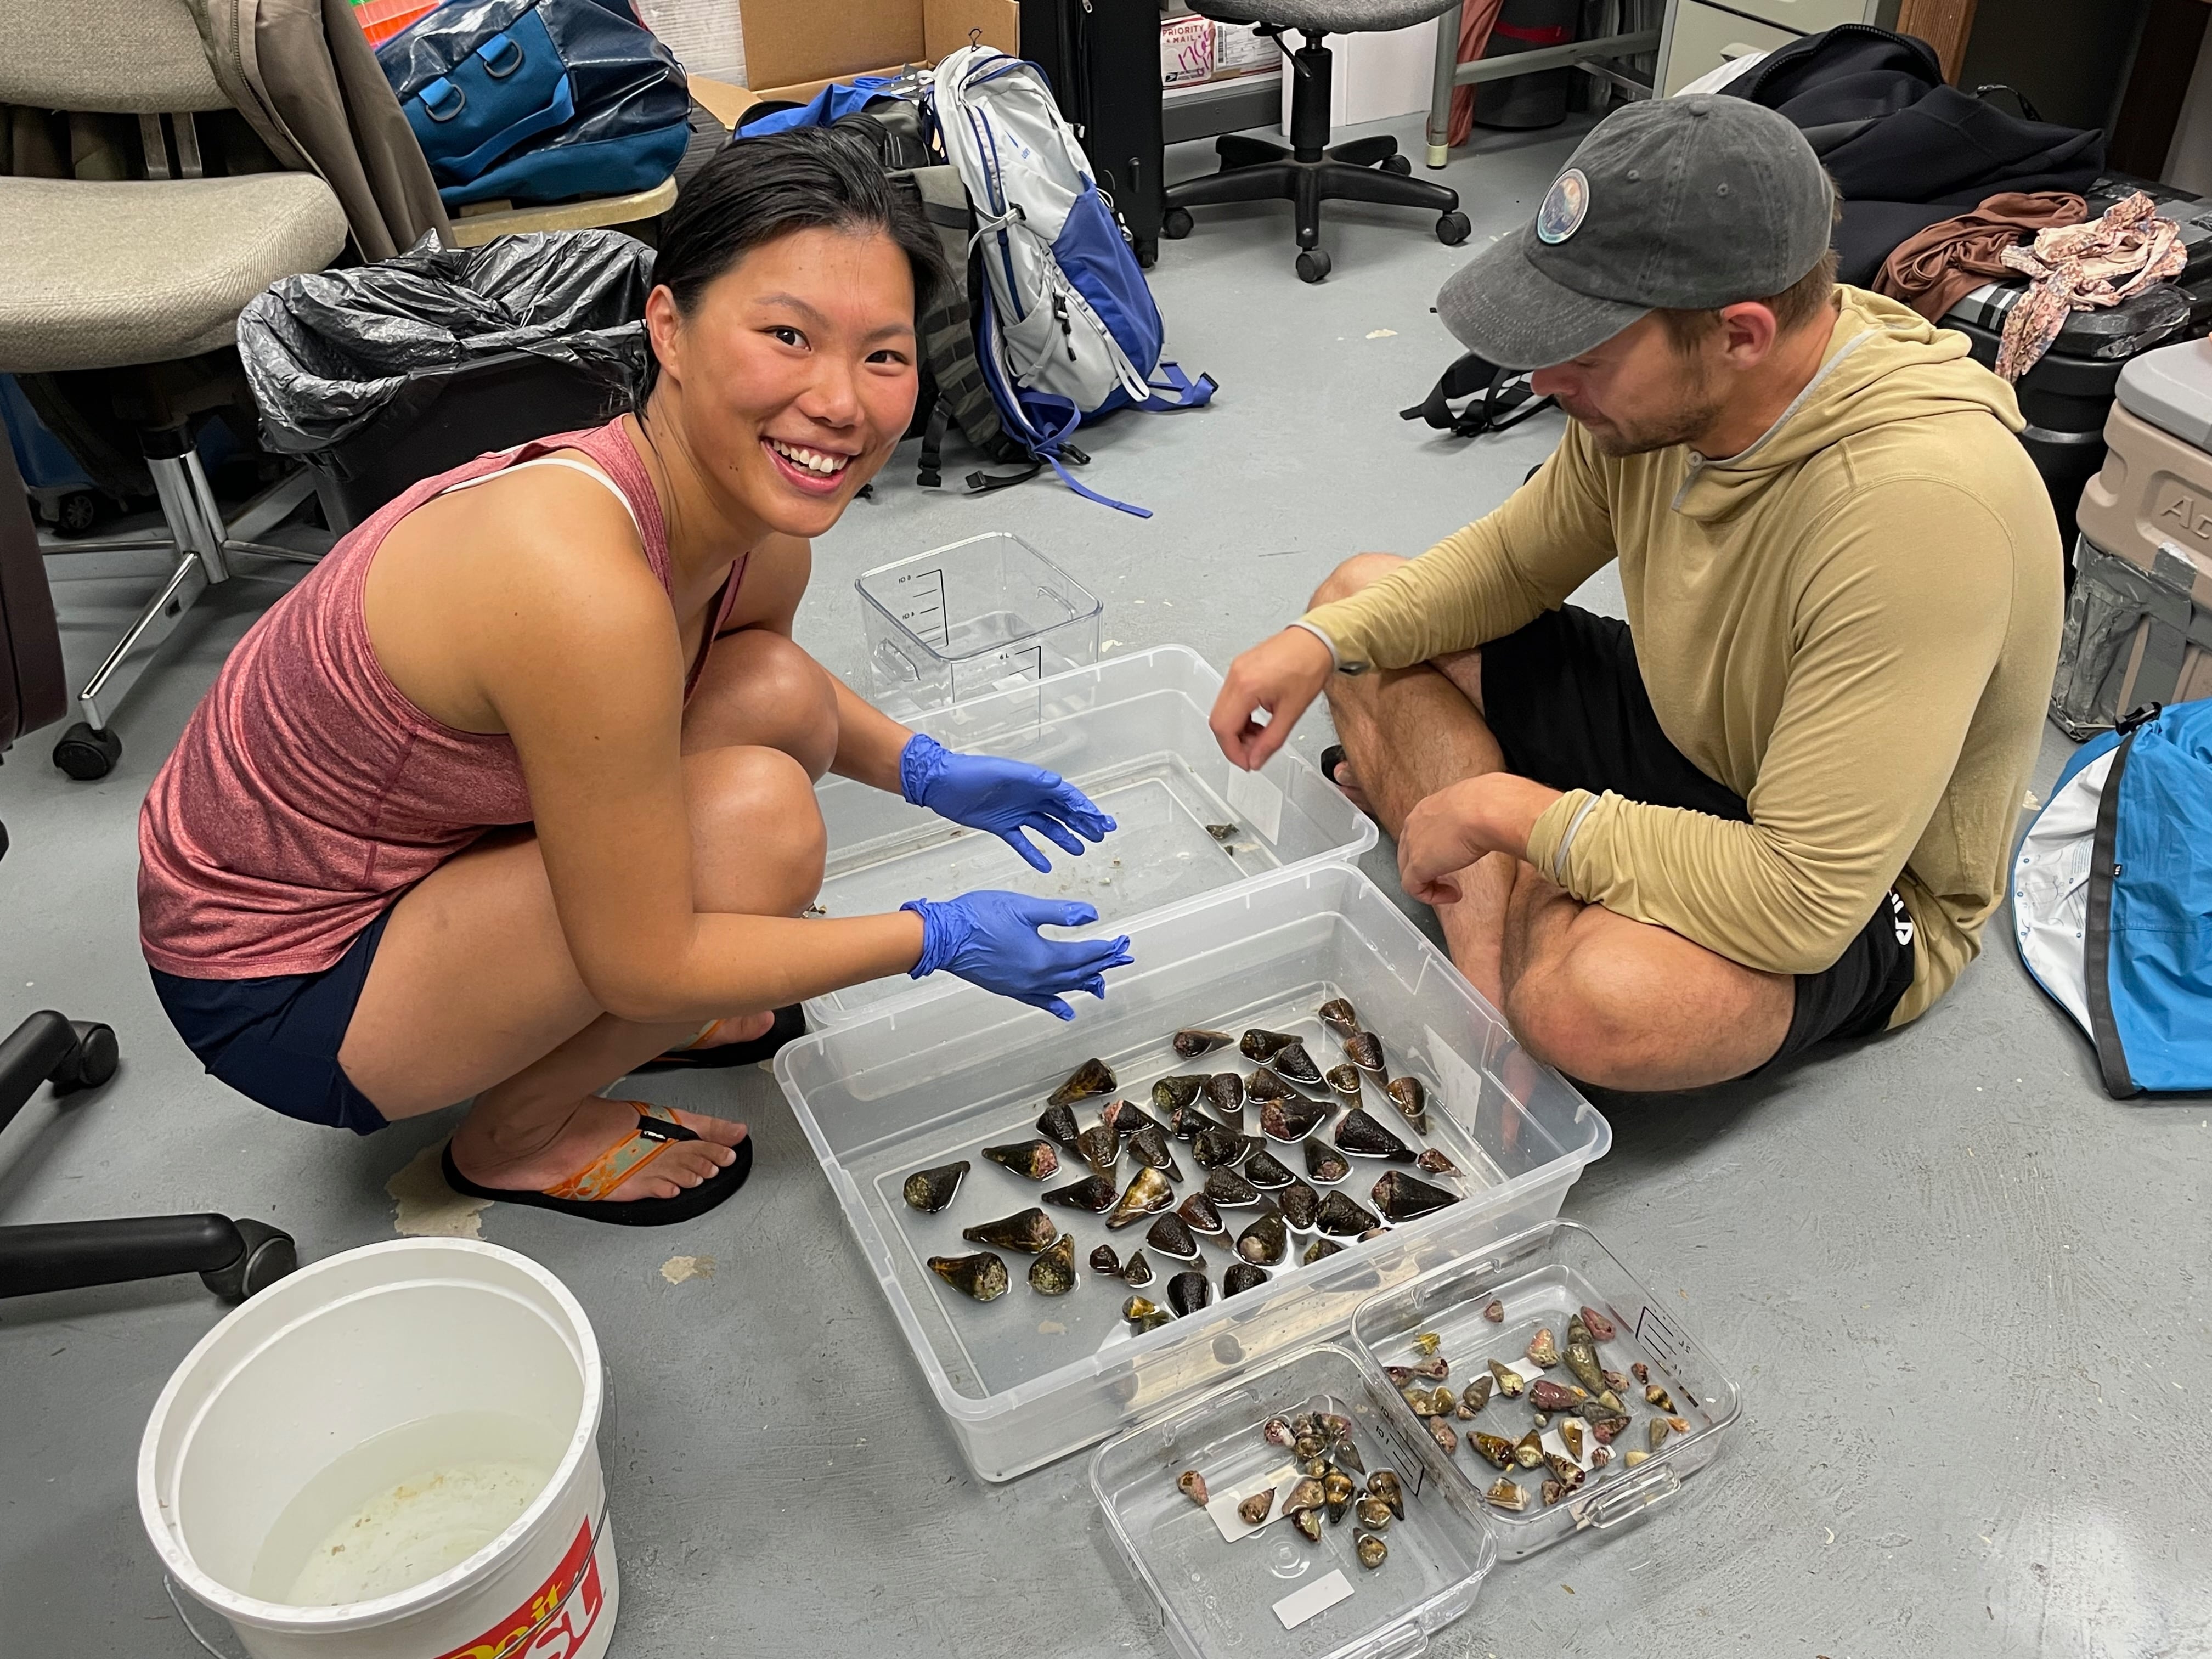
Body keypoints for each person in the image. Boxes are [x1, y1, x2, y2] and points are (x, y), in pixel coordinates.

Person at [138, 129, 1133, 1224]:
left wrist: (930, 771)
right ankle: (517, 1134)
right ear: (670, 328)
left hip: (430, 853)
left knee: (768, 689)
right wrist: (935, 935)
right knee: (762, 834)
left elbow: (766, 681)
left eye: (883, 356)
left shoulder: (749, 513)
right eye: (788, 335)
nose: (842, 403)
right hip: (284, 978)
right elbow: (642, 959)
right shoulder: (577, 582)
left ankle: (666, 1008)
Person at [1210, 97, 2063, 1092]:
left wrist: (1507, 812)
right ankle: (1492, 990)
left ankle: (1505, 898)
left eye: (1588, 349)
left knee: (1603, 1002)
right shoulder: (1656, 403)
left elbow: (1803, 897)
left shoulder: (1919, 509)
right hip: (1693, 734)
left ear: (1740, 334)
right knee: (1362, 604)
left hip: (1852, 878)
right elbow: (1513, 569)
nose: (1539, 382)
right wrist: (1319, 640)